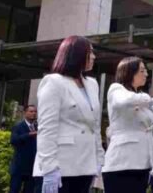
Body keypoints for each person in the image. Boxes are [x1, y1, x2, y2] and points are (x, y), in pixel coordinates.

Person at [33, 35, 104, 193]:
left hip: (85, 165)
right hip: (60, 165)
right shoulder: (54, 82)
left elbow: (95, 126)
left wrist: (99, 159)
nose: (94, 56)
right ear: (76, 54)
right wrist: (49, 168)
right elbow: (47, 128)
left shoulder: (92, 84)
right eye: (90, 52)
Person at [102, 57, 153, 193]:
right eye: (142, 71)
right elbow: (123, 101)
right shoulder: (116, 89)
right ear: (129, 72)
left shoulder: (140, 96)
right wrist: (146, 99)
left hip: (142, 163)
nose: (146, 74)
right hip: (122, 163)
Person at [8, 105, 38, 193]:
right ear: (25, 113)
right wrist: (29, 135)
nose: (33, 113)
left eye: (35, 112)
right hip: (19, 165)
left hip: (32, 166)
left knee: (29, 190)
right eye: (31, 111)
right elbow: (14, 140)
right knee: (14, 189)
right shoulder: (18, 126)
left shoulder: (38, 126)